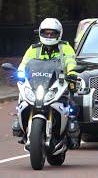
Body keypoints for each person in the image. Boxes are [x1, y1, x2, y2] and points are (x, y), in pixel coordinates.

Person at [12, 18, 80, 149]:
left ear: (59, 34)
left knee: (72, 103)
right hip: (37, 83)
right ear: (40, 33)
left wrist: (71, 73)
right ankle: (20, 127)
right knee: (22, 100)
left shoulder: (65, 48)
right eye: (46, 33)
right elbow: (24, 63)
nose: (49, 36)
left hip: (58, 83)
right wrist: (19, 72)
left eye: (52, 33)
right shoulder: (33, 49)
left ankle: (72, 131)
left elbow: (70, 62)